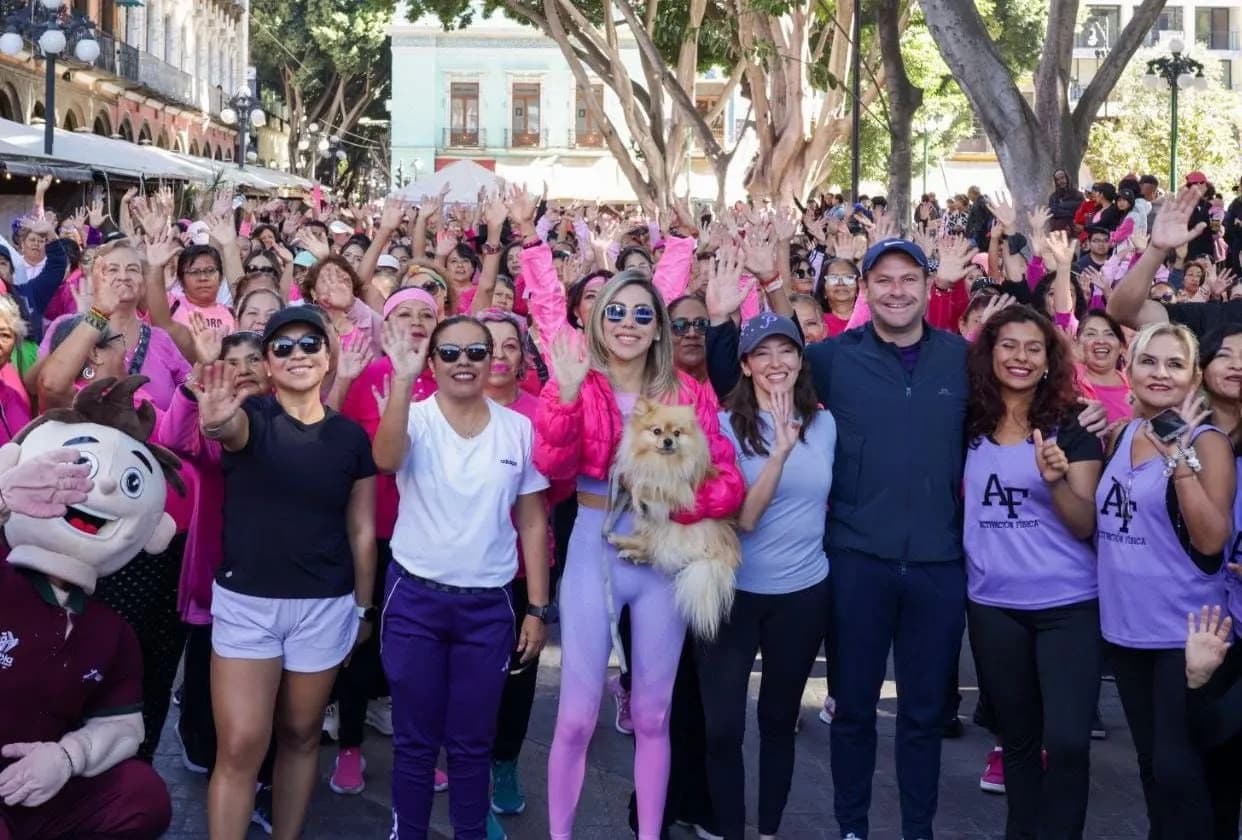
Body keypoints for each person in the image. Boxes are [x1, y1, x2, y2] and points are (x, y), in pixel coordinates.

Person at [706, 238, 969, 840]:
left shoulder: (960, 359)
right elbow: (759, 370)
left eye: (909, 279)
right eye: (883, 280)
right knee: (853, 711)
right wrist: (732, 315)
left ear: (928, 286)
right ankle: (852, 828)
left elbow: (1024, 388)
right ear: (864, 290)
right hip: (855, 562)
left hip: (937, 562)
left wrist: (1087, 417)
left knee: (923, 714)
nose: (896, 290)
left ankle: (917, 830)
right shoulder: (835, 358)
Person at [536, 270, 744, 840]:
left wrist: (669, 506)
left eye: (643, 314)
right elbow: (550, 466)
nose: (628, 324)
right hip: (591, 544)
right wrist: (569, 392)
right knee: (576, 719)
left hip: (665, 552)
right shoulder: (576, 377)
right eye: (616, 312)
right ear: (597, 319)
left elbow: (728, 481)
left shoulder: (687, 389)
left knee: (653, 715)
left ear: (659, 329)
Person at [201, 306, 378, 840]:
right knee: (240, 744)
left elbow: (362, 532)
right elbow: (225, 428)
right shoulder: (250, 417)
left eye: (309, 344)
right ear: (269, 363)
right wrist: (215, 417)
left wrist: (363, 609)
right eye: (282, 346)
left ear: (329, 357)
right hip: (247, 603)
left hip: (324, 604)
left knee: (301, 734)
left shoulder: (350, 437)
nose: (297, 354)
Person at [373, 314, 550, 840]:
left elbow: (534, 519)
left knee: (474, 741)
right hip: (415, 600)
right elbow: (385, 460)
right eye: (449, 353)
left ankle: (471, 832)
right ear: (432, 362)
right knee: (415, 742)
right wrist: (402, 383)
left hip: (488, 605)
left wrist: (537, 607)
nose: (465, 362)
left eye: (476, 351)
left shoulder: (518, 427)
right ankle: (409, 833)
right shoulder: (414, 417)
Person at [0, 380, 179, 840]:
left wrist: (66, 758)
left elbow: (121, 724)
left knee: (141, 795)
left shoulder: (110, 630)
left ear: (156, 531)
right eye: (81, 464)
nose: (101, 484)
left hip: (38, 789)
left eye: (129, 481)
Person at [963, 306, 1103, 838]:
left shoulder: (1072, 425)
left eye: (1033, 348)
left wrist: (1056, 483)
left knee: (1066, 742)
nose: (1020, 358)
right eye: (1008, 346)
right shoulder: (967, 421)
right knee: (1018, 739)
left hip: (1068, 606)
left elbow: (1085, 522)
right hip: (994, 606)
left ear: (1049, 359)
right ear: (989, 353)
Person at [699, 313, 835, 840]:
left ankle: (770, 830)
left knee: (779, 721)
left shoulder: (825, 425)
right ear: (746, 364)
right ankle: (731, 828)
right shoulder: (721, 425)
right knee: (723, 729)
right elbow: (744, 519)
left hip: (802, 594)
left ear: (801, 360)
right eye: (763, 353)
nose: (776, 363)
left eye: (787, 352)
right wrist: (778, 453)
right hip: (732, 590)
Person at [1096, 322, 1234, 837]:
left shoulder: (1208, 442)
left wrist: (1179, 461)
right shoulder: (1122, 433)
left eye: (1175, 364)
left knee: (1180, 772)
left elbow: (1210, 540)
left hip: (1187, 634)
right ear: (1128, 370)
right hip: (1126, 630)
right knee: (1154, 768)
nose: (1160, 373)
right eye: (1149, 361)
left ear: (1194, 377)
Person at [1075, 310, 1131, 423]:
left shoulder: (1135, 385)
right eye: (1091, 334)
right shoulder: (1068, 381)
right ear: (1077, 343)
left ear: (1121, 346)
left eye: (1109, 334)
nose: (1101, 341)